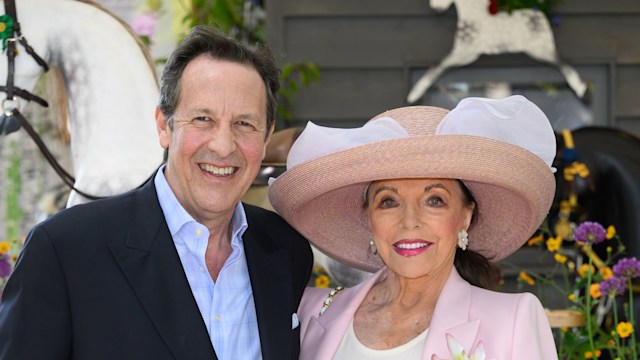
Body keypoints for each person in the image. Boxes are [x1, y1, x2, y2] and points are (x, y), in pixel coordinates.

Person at [0, 26, 313, 360]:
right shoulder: (64, 252)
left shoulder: (286, 249)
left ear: (266, 137)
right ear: (164, 126)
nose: (223, 146)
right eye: (203, 118)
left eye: (244, 124)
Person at [269, 95, 558, 359]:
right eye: (388, 201)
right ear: (368, 217)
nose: (409, 221)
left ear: (465, 216)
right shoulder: (311, 310)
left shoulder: (512, 321)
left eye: (434, 200)